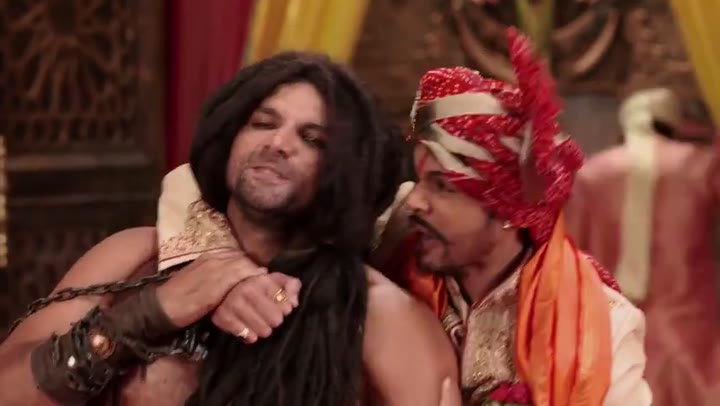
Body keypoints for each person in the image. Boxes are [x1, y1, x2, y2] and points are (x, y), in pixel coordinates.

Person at [0, 52, 460, 405]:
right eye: (262, 123)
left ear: (346, 172)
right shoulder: (135, 255)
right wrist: (149, 314)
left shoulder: (379, 312)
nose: (277, 143)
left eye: (312, 139)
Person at [228, 29, 653, 406]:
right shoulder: (395, 230)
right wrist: (224, 276)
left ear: (509, 209)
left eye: (442, 187)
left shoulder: (599, 326)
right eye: (419, 178)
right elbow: (236, 205)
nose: (415, 200)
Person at [566, 87, 720, 406]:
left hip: (611, 332)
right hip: (690, 335)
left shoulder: (591, 173)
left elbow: (571, 257)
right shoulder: (700, 166)